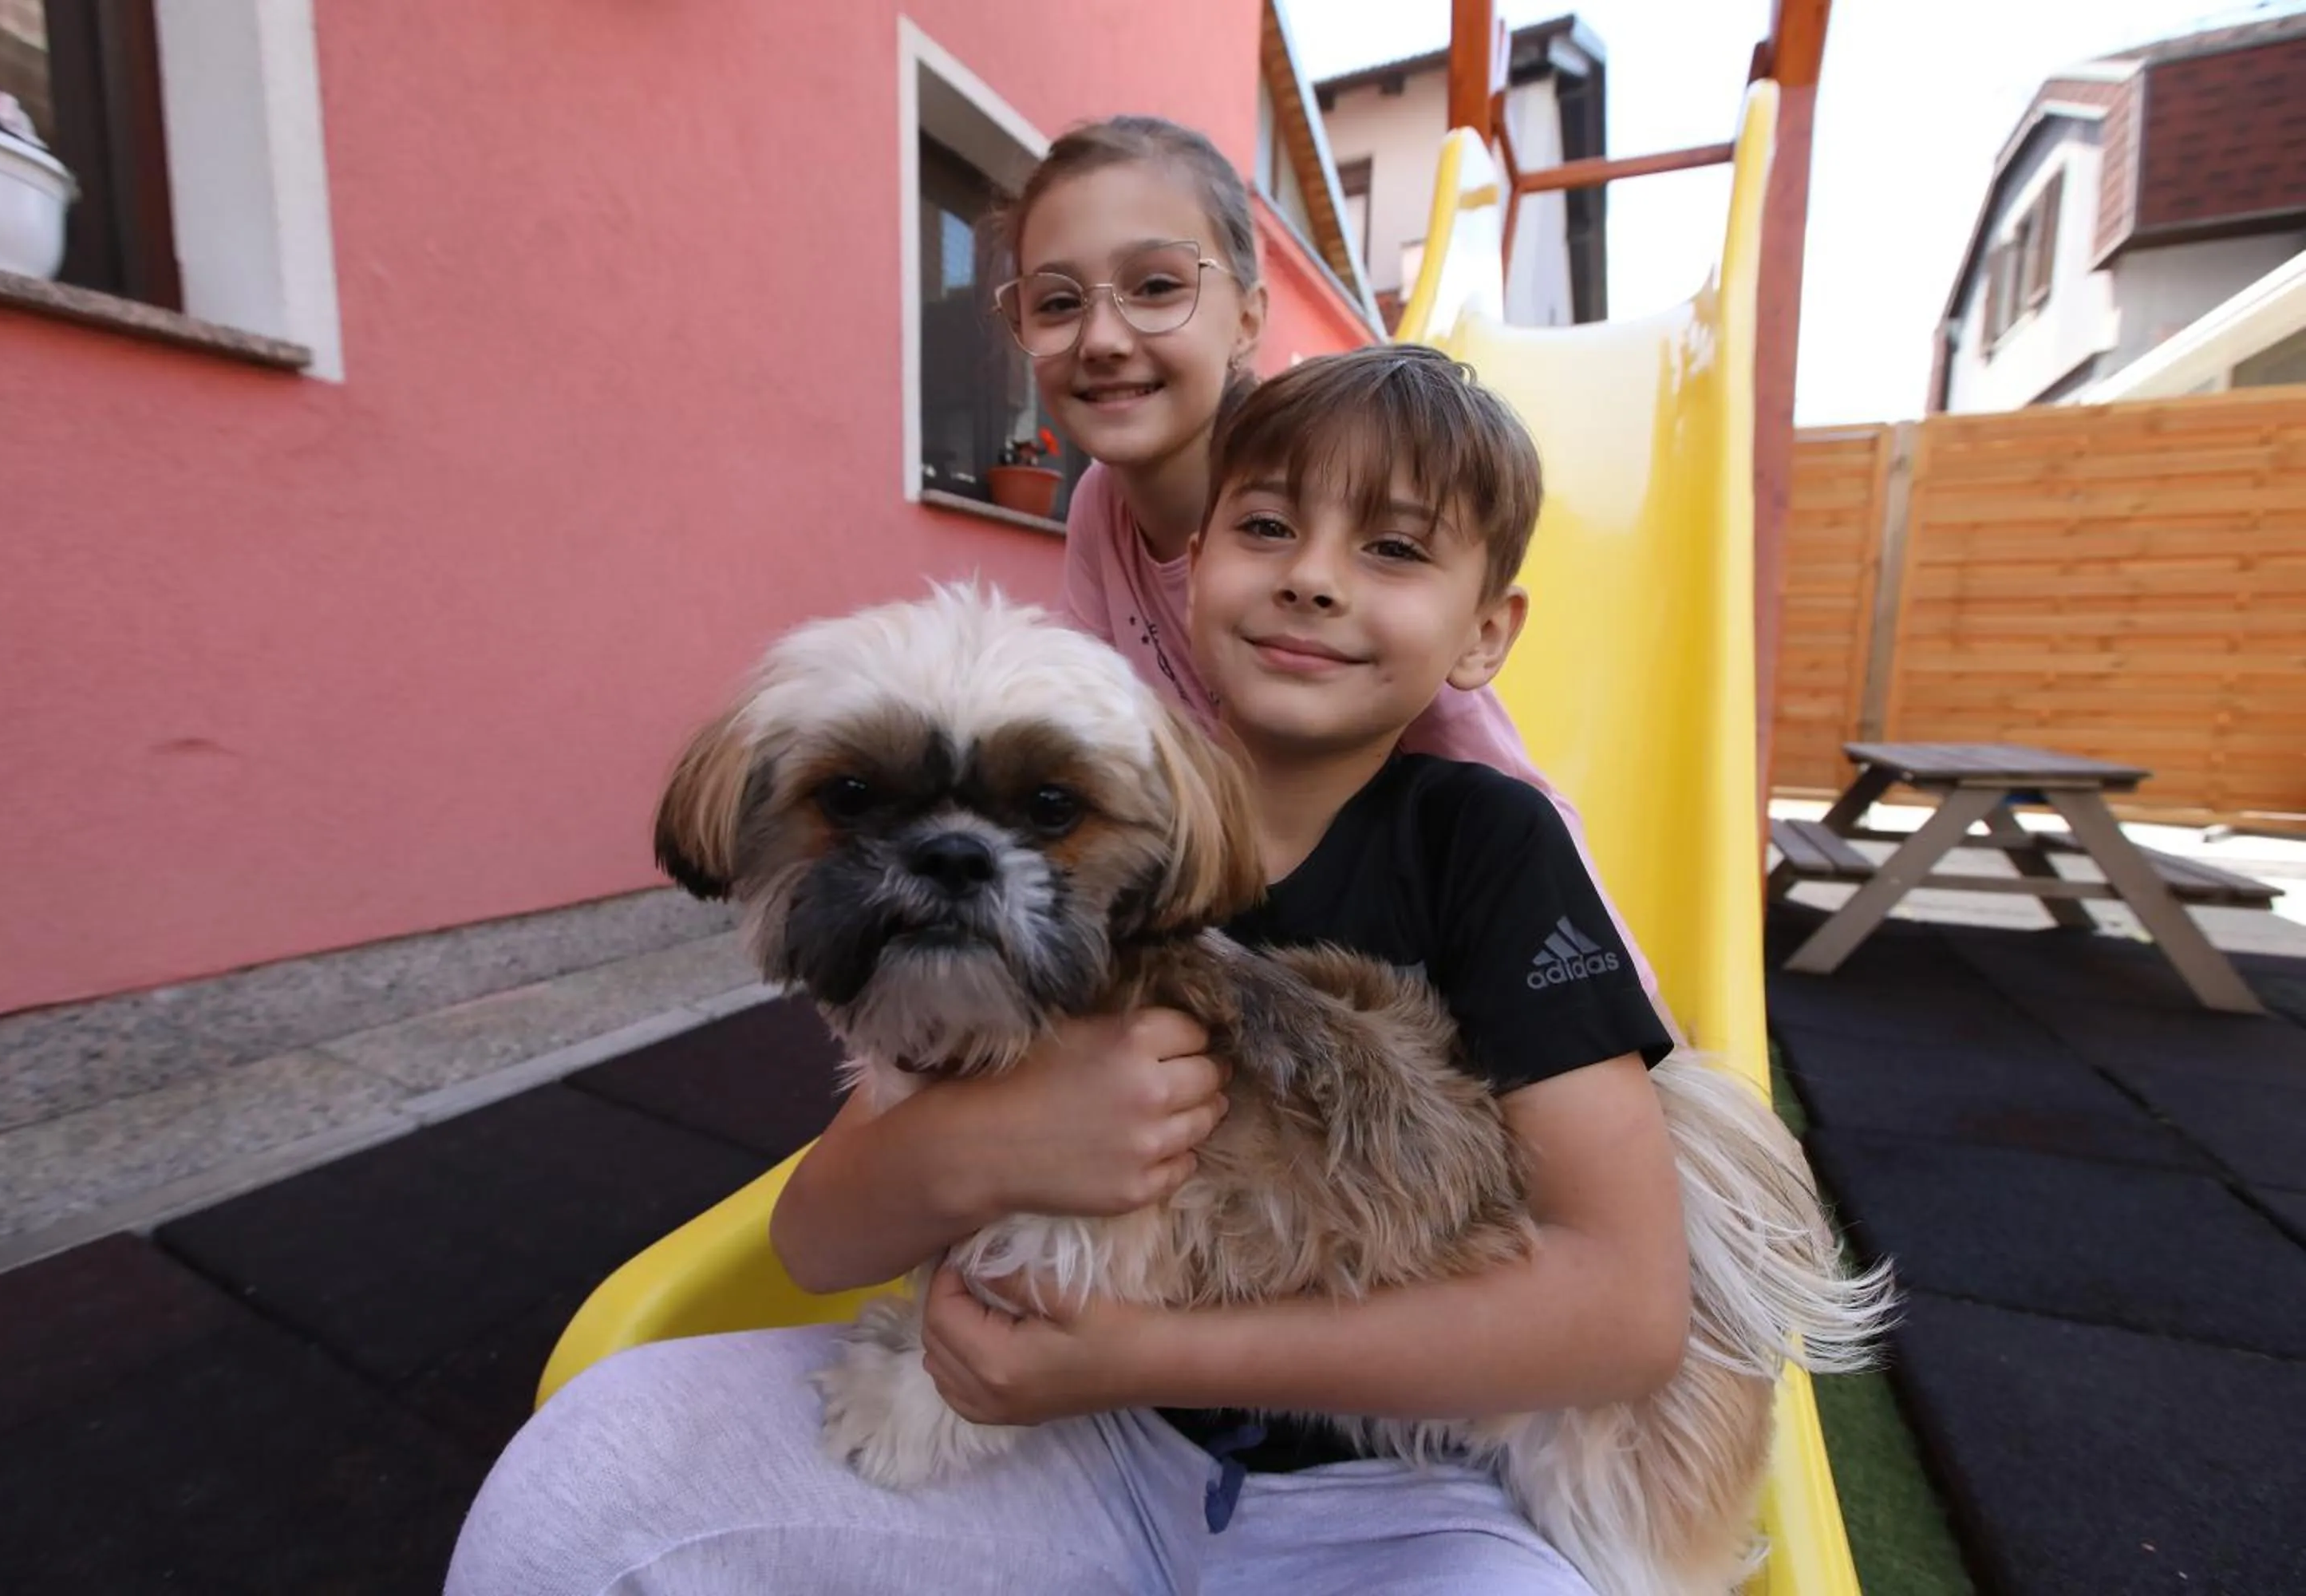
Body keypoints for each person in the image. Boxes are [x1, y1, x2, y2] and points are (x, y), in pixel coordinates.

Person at [444, 346, 1684, 1596]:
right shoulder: (1038, 949)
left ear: (1487, 631)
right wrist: (985, 1148)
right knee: (581, 1483)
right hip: (1064, 1444)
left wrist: (1130, 1356)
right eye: (1266, 527)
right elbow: (818, 1246)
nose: (1313, 580)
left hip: (1403, 1493)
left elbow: (1629, 1312)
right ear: (1193, 567)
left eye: (1393, 550)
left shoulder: (1489, 846)